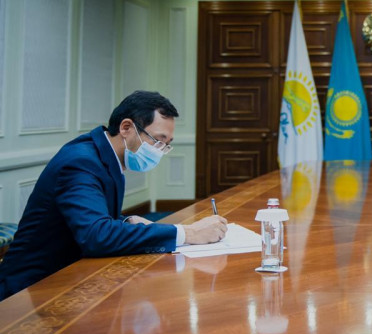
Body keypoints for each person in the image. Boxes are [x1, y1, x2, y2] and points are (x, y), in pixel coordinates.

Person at [0, 91, 228, 300]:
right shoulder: (81, 163)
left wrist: (127, 221)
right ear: (126, 127)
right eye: (158, 141)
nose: (159, 151)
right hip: (29, 290)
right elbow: (97, 236)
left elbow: (92, 216)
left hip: (70, 278)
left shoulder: (106, 156)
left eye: (166, 145)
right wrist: (189, 233)